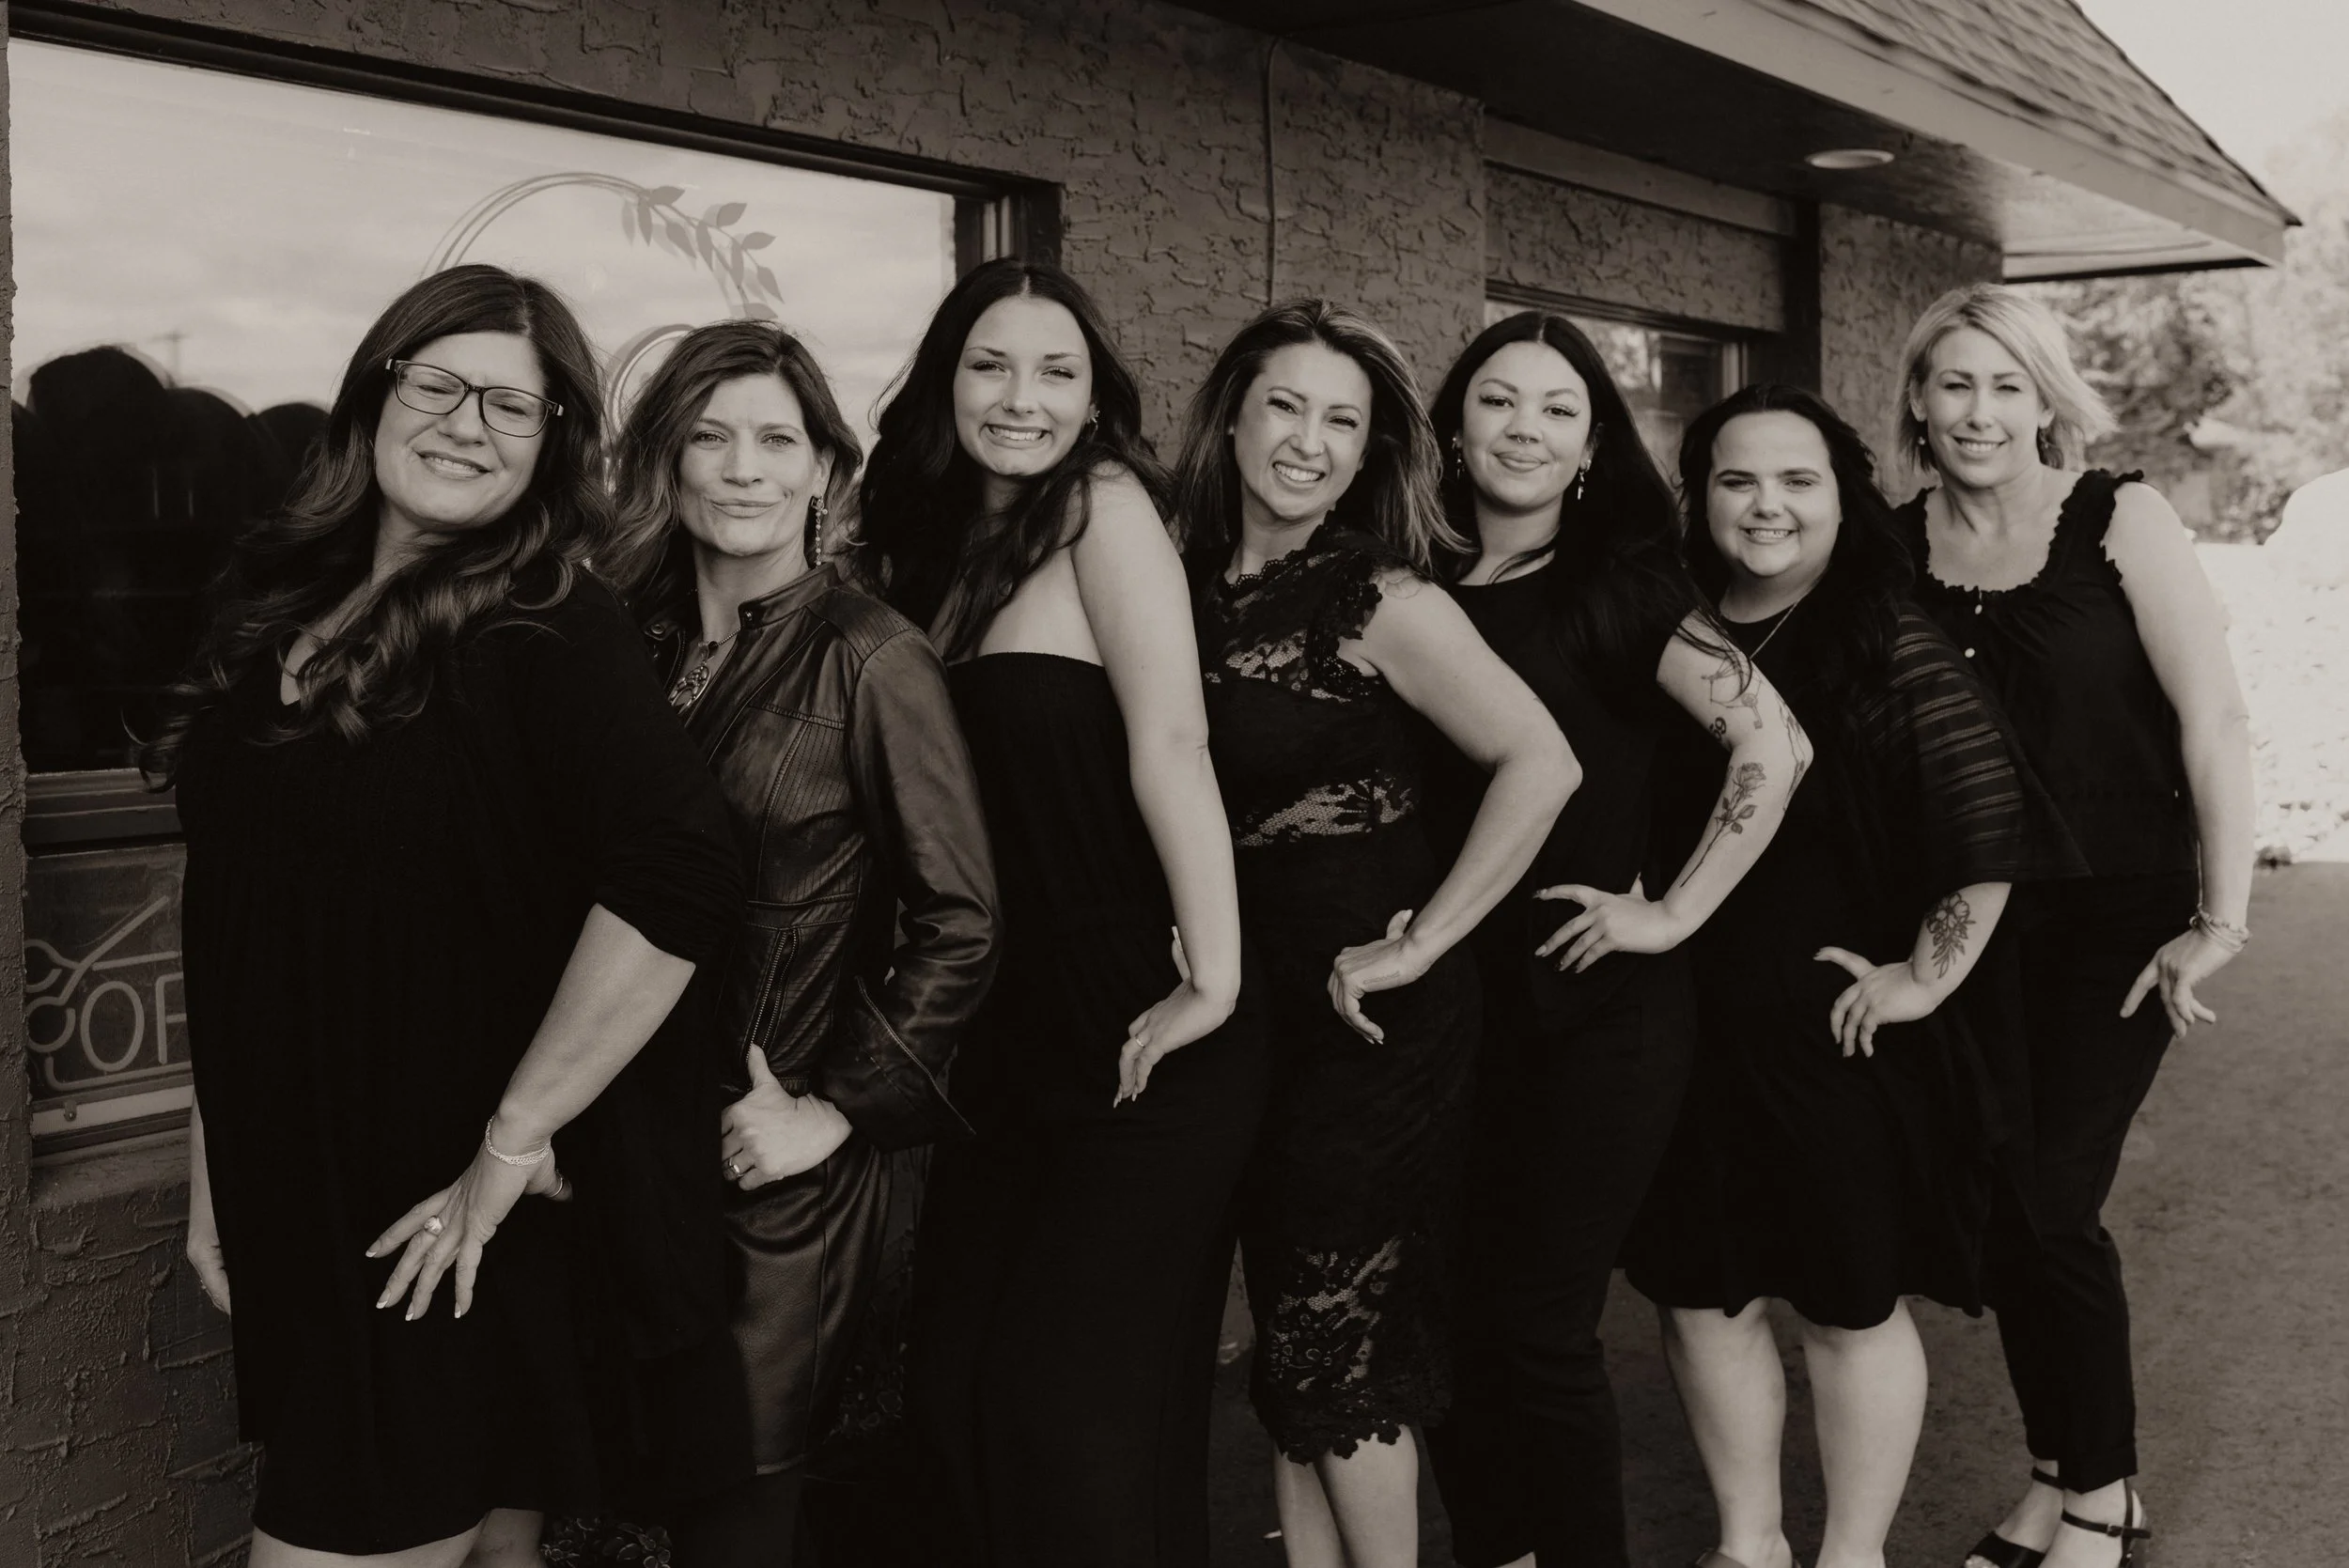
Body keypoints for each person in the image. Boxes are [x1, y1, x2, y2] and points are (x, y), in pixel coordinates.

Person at [153, 264, 743, 1566]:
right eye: (440, 385)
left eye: (512, 408)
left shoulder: (547, 625)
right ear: (374, 398)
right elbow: (240, 924)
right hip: (307, 1201)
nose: (468, 424)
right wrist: (216, 1171)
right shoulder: (281, 616)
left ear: (549, 451)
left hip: (434, 1222)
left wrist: (510, 1145)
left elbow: (681, 877)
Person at [858, 257, 1268, 1567]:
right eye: (990, 364)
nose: (1019, 398)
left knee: (1065, 1412)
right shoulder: (927, 550)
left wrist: (1213, 976)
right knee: (962, 1400)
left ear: (1096, 402)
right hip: (1003, 1036)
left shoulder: (1103, 508)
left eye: (1057, 371)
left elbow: (1173, 741)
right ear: (943, 381)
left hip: (1138, 1021)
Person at [1626, 383, 2066, 1568]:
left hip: (1833, 1027)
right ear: (1698, 494)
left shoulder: (1882, 628)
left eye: (1797, 479)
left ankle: (1851, 1555)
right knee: (1702, 1290)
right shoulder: (1673, 617)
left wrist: (1921, 981)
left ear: (1843, 495)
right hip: (1684, 1013)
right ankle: (1749, 1543)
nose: (1765, 505)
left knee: (1845, 1300)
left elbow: (1992, 827)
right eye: (1735, 479)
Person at [1172, 300, 1577, 1568]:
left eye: (1340, 422)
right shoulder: (1178, 583)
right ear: (1232, 414)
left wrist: (1423, 944)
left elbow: (1540, 761)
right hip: (1254, 1012)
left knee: (1333, 1345)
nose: (1308, 440)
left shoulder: (1379, 599)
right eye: (1285, 405)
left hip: (1374, 1023)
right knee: (1301, 1343)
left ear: (1367, 456)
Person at [1415, 312, 1808, 1568]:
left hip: (1597, 1015)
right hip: (1445, 1005)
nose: (1524, 430)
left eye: (1558, 409)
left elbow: (1774, 744)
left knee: (1538, 1329)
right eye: (1498, 402)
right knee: (1450, 1324)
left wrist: (1675, 909)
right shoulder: (1406, 582)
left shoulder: (1624, 589)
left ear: (1589, 447)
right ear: (1454, 428)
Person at [603, 320, 999, 1564]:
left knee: (739, 1513)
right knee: (636, 1496)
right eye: (708, 437)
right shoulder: (629, 643)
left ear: (826, 468)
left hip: (772, 1164)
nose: (743, 468)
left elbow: (965, 916)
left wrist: (837, 1111)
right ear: (663, 462)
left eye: (778, 438)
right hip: (628, 1134)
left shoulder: (873, 656)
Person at [1891, 284, 2253, 1568]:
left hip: (2118, 915)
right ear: (1918, 403)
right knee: (2000, 1207)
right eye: (1956, 384)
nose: (1981, 411)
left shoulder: (2118, 519)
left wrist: (2223, 914)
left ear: (2047, 399)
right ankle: (2063, 1472)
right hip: (1968, 922)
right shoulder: (1890, 547)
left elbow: (2210, 719)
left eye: (2008, 384)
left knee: (2050, 1203)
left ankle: (2101, 1495)